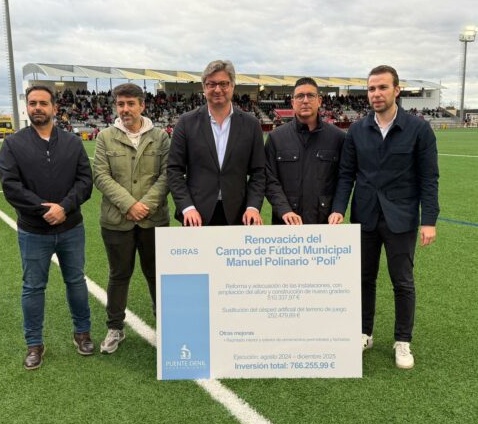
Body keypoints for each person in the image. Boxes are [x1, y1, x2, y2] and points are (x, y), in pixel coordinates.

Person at [328, 65, 439, 369]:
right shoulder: (357, 130)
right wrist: (338, 208)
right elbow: (346, 174)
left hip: (401, 218)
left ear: (396, 90)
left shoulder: (419, 130)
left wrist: (429, 220)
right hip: (364, 216)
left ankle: (403, 341)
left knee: (402, 281)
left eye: (382, 87)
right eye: (371, 88)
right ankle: (364, 333)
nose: (376, 94)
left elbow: (429, 178)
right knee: (364, 278)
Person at [0, 85, 94, 370]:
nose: (37, 107)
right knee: (33, 287)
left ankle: (82, 333)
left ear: (54, 107)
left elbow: (85, 181)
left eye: (43, 103)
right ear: (27, 107)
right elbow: (11, 186)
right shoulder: (13, 144)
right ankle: (34, 344)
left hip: (71, 227)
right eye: (32, 103)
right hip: (33, 231)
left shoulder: (73, 142)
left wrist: (64, 207)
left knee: (76, 281)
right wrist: (45, 210)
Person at [93, 84, 170, 354]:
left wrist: (144, 206)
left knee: (157, 275)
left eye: (130, 104)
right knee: (119, 275)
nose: (125, 109)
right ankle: (115, 327)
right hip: (117, 221)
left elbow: (167, 175)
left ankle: (166, 326)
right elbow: (101, 175)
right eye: (120, 104)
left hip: (153, 220)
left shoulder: (160, 137)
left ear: (142, 105)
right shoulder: (105, 137)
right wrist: (129, 205)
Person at [167, 60, 265, 226]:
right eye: (211, 84)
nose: (217, 89)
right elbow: (174, 170)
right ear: (204, 87)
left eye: (223, 84)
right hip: (196, 214)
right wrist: (187, 208)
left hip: (239, 214)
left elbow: (259, 172)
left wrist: (253, 207)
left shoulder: (251, 124)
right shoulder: (186, 122)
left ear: (232, 86)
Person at [265, 77, 344, 225]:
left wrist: (338, 209)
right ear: (293, 102)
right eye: (300, 96)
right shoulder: (276, 138)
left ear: (319, 101)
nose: (305, 100)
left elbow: (344, 179)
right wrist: (284, 210)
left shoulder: (338, 137)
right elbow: (269, 180)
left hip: (326, 224)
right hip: (286, 225)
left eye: (310, 95)